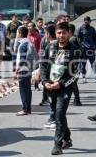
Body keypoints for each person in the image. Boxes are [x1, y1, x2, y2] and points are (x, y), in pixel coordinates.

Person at [41, 22, 80, 155]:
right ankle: (67, 138)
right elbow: (43, 65)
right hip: (50, 86)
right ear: (56, 34)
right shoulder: (50, 46)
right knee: (60, 115)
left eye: (64, 33)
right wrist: (45, 81)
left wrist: (61, 84)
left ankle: (57, 145)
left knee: (59, 114)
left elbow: (75, 73)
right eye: (59, 33)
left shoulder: (74, 50)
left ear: (68, 33)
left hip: (65, 88)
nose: (61, 35)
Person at [15, 26, 38, 115]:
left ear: (20, 33)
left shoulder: (23, 45)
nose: (17, 35)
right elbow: (36, 56)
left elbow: (22, 59)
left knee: (23, 90)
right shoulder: (30, 43)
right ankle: (28, 108)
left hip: (23, 70)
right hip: (29, 69)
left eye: (18, 33)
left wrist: (17, 69)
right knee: (28, 89)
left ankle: (25, 109)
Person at [77, 16, 96, 83]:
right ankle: (84, 77)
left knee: (93, 63)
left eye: (88, 21)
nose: (87, 22)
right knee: (83, 64)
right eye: (85, 20)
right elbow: (78, 39)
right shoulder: (80, 28)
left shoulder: (92, 29)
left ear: (90, 21)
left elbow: (95, 38)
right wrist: (79, 47)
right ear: (84, 21)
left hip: (91, 49)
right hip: (83, 49)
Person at [68, 23, 82, 106]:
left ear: (69, 31)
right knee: (72, 83)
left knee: (72, 83)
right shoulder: (75, 39)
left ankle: (77, 100)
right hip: (76, 64)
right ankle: (76, 99)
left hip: (73, 65)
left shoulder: (72, 40)